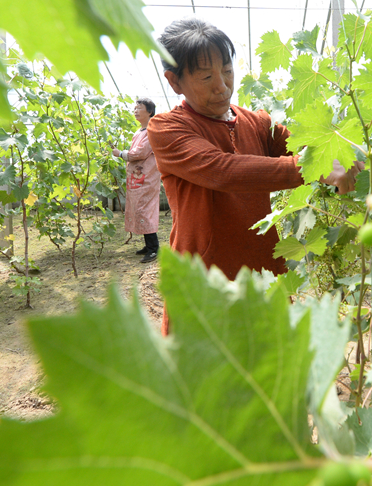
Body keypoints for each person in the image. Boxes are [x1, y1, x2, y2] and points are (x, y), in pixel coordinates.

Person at [147, 17, 361, 333]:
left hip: (262, 266)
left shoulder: (257, 123)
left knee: (269, 362)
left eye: (228, 71)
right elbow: (222, 170)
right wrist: (307, 168)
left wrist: (349, 156)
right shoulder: (167, 129)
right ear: (174, 81)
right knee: (206, 367)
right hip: (205, 273)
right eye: (206, 76)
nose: (222, 85)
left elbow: (305, 145)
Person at [111, 98, 161, 263]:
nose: (136, 110)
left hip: (146, 178)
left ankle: (154, 249)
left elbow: (140, 153)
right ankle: (148, 246)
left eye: (140, 107)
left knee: (145, 210)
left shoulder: (152, 131)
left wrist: (120, 154)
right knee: (140, 210)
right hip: (138, 178)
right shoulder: (139, 132)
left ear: (150, 112)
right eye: (135, 107)